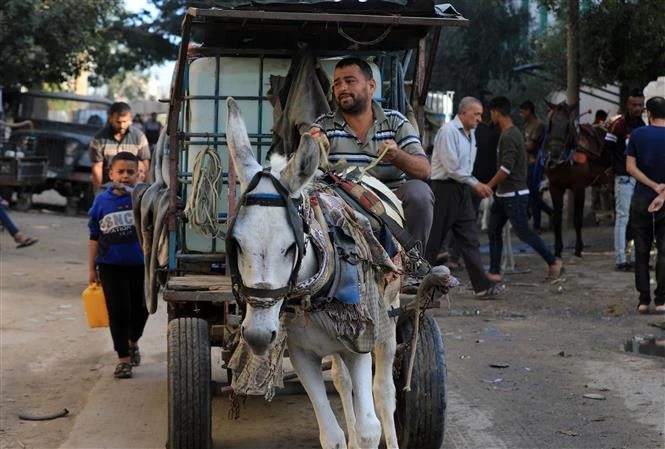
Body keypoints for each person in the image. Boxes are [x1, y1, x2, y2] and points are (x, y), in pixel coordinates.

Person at [310, 57, 434, 286]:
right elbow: (306, 175)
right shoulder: (323, 126)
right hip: (345, 207)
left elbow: (424, 170)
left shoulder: (396, 122)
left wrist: (398, 156)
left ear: (370, 86)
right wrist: (314, 148)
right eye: (337, 84)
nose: (342, 88)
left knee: (420, 193)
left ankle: (412, 266)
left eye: (350, 81)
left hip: (391, 202)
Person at [424, 96, 501, 298]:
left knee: (470, 237)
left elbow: (464, 168)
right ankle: (417, 282)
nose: (479, 118)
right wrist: (476, 184)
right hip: (444, 188)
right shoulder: (448, 131)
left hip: (462, 189)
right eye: (476, 114)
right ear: (463, 113)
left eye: (480, 115)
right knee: (434, 238)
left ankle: (481, 286)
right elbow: (452, 168)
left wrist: (472, 185)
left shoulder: (471, 134)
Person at [486, 96, 563, 282]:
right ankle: (495, 271)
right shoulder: (510, 134)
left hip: (513, 195)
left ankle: (553, 262)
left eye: (491, 113)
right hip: (504, 194)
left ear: (496, 112)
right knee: (493, 229)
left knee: (524, 233)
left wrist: (487, 186)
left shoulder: (510, 136)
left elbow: (506, 168)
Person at [88, 152, 148, 379]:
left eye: (130, 172)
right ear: (110, 173)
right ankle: (123, 358)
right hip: (110, 265)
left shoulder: (144, 198)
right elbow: (94, 236)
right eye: (120, 172)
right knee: (118, 311)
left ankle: (133, 341)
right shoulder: (102, 201)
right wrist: (91, 269)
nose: (125, 176)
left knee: (142, 309)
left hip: (141, 265)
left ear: (138, 174)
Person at [625, 96, 665, 314]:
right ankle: (661, 301)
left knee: (641, 251)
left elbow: (630, 168)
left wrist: (652, 185)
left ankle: (643, 300)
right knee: (664, 251)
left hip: (641, 199)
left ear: (649, 113)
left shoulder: (638, 135)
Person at [604, 88, 645, 271]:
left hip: (639, 178)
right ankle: (621, 259)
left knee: (637, 217)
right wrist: (618, 168)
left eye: (640, 105)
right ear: (628, 105)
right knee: (623, 217)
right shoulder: (618, 124)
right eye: (635, 105)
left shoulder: (642, 124)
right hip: (624, 178)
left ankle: (635, 257)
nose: (638, 108)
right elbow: (607, 150)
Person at [90, 102, 151, 193]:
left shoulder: (139, 138)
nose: (121, 126)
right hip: (109, 191)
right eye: (118, 122)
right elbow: (97, 168)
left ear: (130, 119)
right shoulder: (98, 139)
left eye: (125, 122)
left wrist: (145, 192)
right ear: (110, 118)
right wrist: (99, 192)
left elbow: (146, 166)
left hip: (133, 192)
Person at [519, 100, 552, 231]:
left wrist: (520, 146)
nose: (521, 114)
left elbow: (531, 145)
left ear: (529, 111)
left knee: (533, 196)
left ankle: (537, 225)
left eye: (522, 111)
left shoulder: (538, 126)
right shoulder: (526, 126)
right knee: (530, 196)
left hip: (535, 165)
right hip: (527, 165)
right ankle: (549, 213)